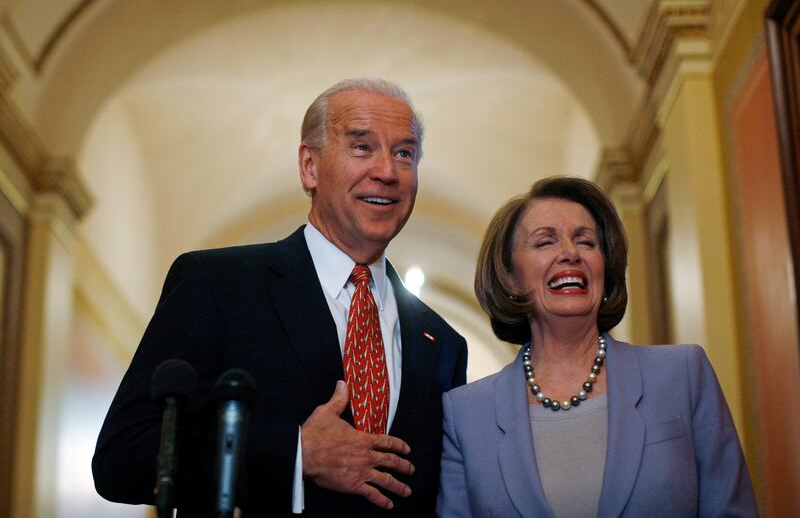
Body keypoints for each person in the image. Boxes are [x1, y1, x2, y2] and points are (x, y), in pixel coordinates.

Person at [92, 78, 467, 517]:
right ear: (309, 166)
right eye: (362, 147)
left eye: (404, 153)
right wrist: (296, 453)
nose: (387, 171)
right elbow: (122, 458)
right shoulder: (218, 285)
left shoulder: (441, 342)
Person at [437, 176, 756, 517]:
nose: (570, 253)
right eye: (545, 242)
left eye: (586, 242)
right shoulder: (466, 414)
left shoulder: (683, 375)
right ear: (510, 275)